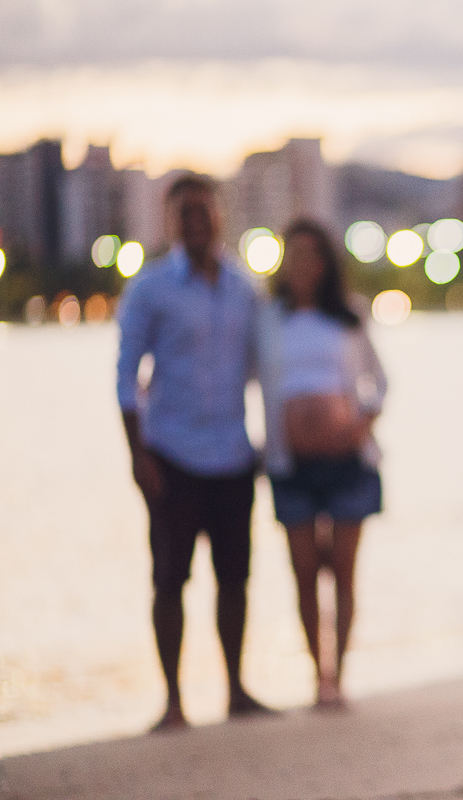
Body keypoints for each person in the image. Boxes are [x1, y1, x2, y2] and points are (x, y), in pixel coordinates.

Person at [116, 173, 270, 731]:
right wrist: (139, 455)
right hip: (173, 456)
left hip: (232, 452)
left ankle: (236, 690)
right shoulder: (150, 288)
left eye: (204, 210)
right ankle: (174, 701)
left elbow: (265, 370)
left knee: (235, 578)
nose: (196, 222)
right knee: (169, 580)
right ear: (170, 221)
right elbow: (125, 375)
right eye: (184, 213)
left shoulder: (244, 288)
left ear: (221, 215)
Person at [257, 219, 386, 708]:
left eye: (312, 254)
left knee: (345, 571)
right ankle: (318, 674)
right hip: (291, 465)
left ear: (327, 263)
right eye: (294, 254)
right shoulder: (268, 319)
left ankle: (340, 675)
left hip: (349, 462)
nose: (303, 264)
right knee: (305, 570)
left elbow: (382, 384)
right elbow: (234, 374)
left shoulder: (349, 316)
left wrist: (358, 427)